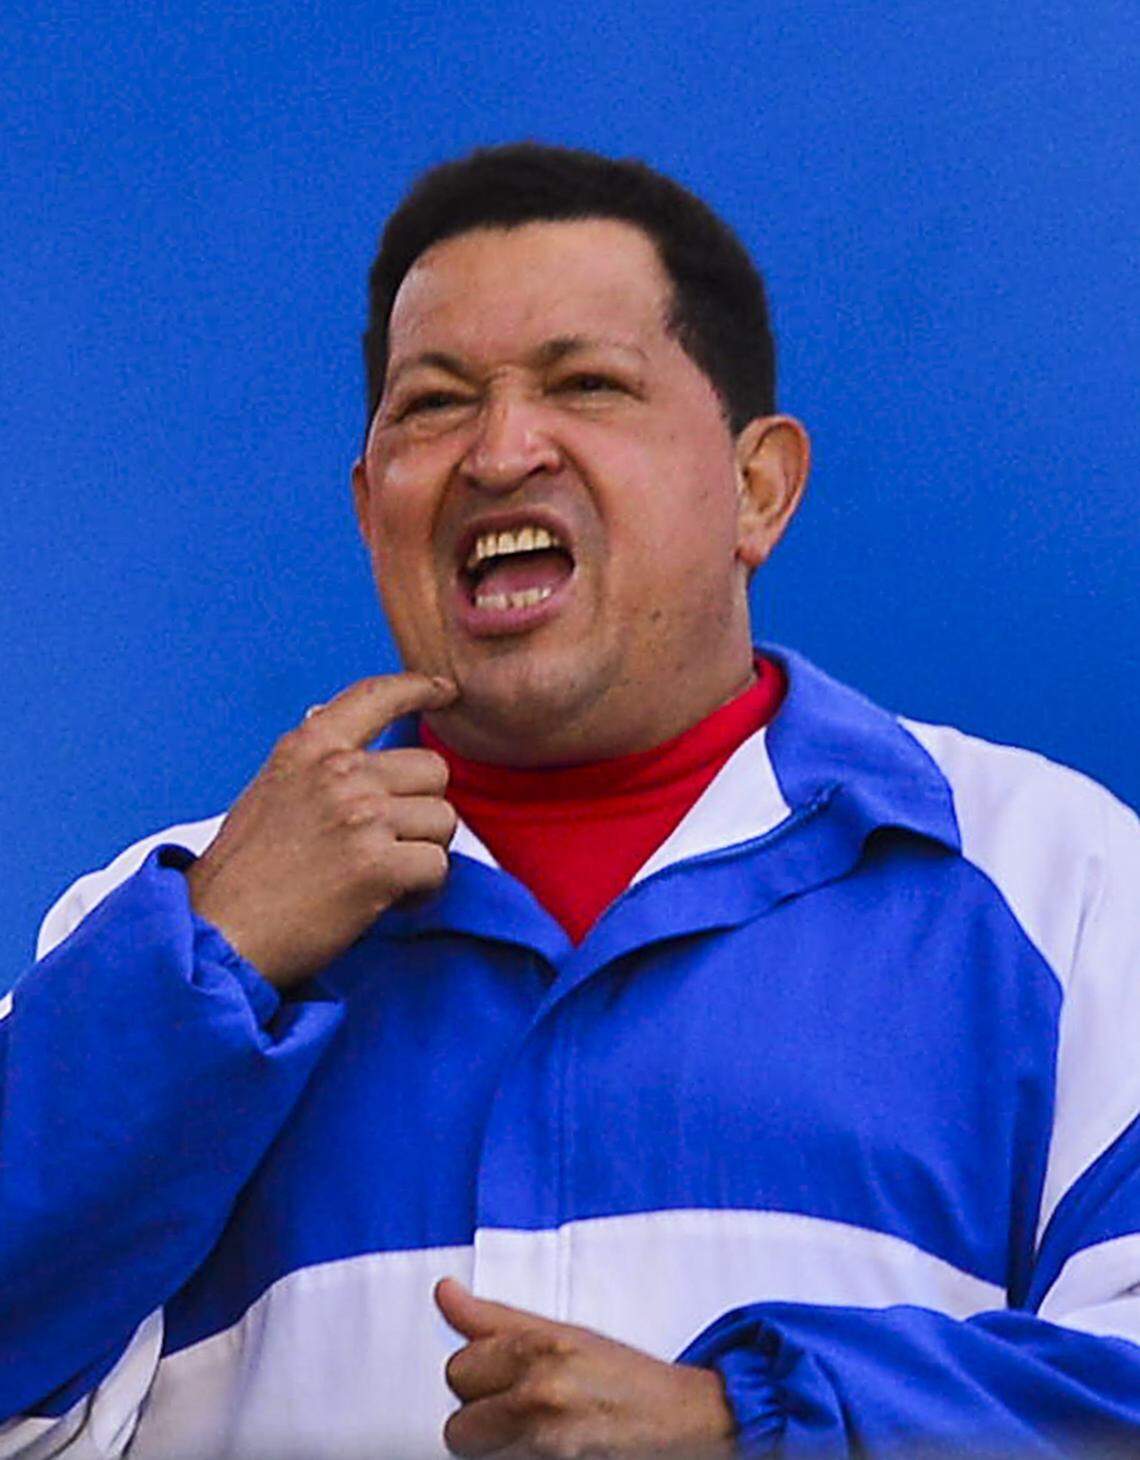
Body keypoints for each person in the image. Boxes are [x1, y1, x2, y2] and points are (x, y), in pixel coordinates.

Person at [1, 142, 1138, 1460]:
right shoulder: (167, 921)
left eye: (585, 383)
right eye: (432, 406)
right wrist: (207, 964)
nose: (499, 448)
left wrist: (745, 1427)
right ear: (373, 507)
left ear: (757, 487)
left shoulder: (1057, 882)